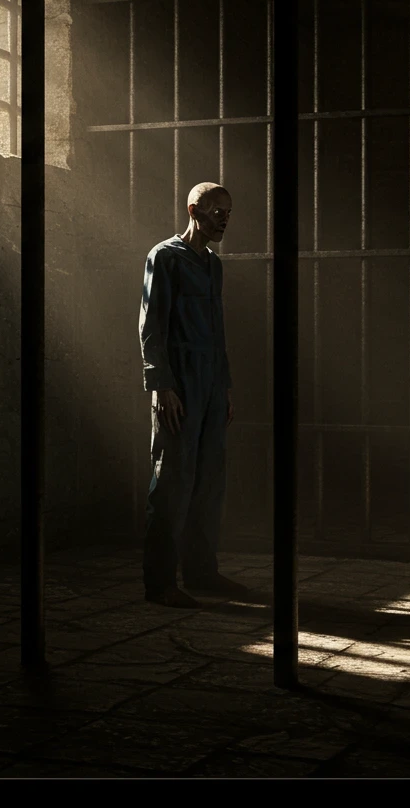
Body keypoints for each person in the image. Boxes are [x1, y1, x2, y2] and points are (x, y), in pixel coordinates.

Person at [138, 182, 248, 608]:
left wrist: (225, 385)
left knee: (209, 481)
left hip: (211, 386)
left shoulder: (213, 265)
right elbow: (151, 325)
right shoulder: (165, 257)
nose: (224, 219)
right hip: (179, 383)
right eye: (217, 211)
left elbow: (218, 332)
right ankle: (160, 582)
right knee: (172, 481)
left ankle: (202, 572)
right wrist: (161, 385)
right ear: (193, 210)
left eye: (229, 212)